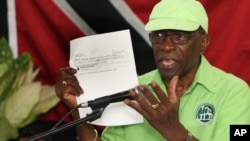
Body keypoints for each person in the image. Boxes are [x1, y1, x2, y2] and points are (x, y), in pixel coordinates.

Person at [55, 0, 250, 141]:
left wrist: (175, 131)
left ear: (203, 43)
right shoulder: (133, 89)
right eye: (158, 35)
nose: (166, 46)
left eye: (180, 36)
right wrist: (78, 112)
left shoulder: (235, 92)